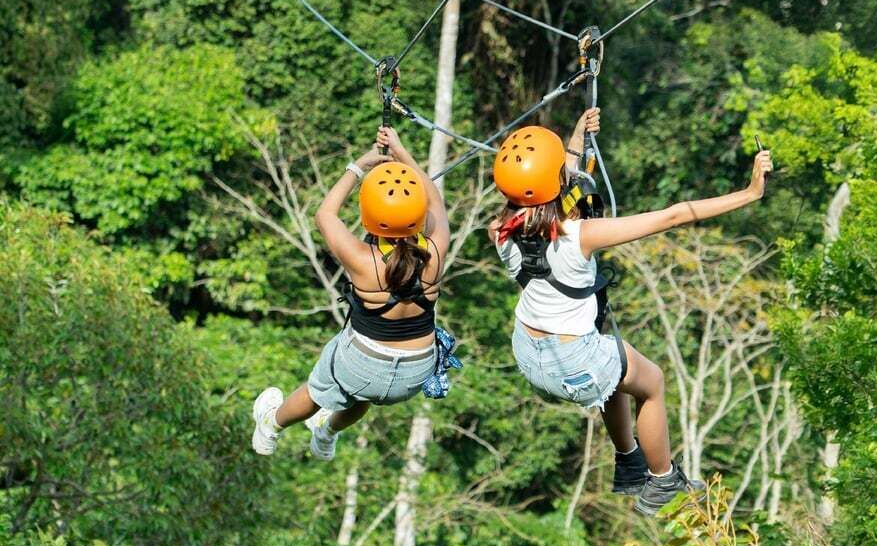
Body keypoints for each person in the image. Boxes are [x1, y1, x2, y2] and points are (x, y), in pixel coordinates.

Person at [489, 108, 773, 515]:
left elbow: (546, 183)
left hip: (528, 352)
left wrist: (576, 133)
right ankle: (662, 480)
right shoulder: (582, 236)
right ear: (555, 181)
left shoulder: (499, 231)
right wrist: (749, 192)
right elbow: (675, 214)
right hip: (572, 360)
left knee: (614, 363)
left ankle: (628, 461)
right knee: (651, 381)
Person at [251, 126, 449, 459]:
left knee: (323, 386)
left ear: (370, 217)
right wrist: (400, 152)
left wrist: (361, 164)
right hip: (415, 374)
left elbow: (325, 214)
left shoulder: (362, 259)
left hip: (362, 367)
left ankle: (270, 426)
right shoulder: (436, 251)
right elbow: (435, 200)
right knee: (363, 393)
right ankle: (326, 432)